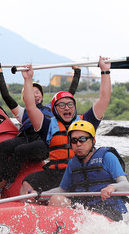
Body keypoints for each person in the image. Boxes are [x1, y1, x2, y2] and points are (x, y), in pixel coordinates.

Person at [19, 57, 111, 195]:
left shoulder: (86, 121)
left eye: (70, 104)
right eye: (61, 105)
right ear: (54, 109)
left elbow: (104, 99)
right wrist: (28, 79)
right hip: (55, 173)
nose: (66, 107)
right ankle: (32, 212)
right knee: (28, 183)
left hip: (80, 171)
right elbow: (31, 107)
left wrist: (105, 71)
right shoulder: (47, 125)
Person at [0, 63, 82, 189]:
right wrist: (0, 73)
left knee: (20, 150)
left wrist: (77, 72)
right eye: (31, 92)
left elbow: (69, 93)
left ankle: (7, 182)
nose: (35, 95)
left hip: (44, 139)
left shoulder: (55, 109)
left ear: (42, 96)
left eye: (37, 92)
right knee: (3, 146)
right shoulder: (22, 112)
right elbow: (6, 96)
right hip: (27, 137)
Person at [43, 120, 129, 221]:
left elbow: (126, 186)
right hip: (85, 210)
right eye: (74, 141)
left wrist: (112, 187)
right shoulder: (73, 164)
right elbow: (62, 190)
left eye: (82, 139)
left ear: (93, 141)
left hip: (109, 210)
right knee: (56, 199)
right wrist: (39, 194)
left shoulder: (107, 157)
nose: (78, 144)